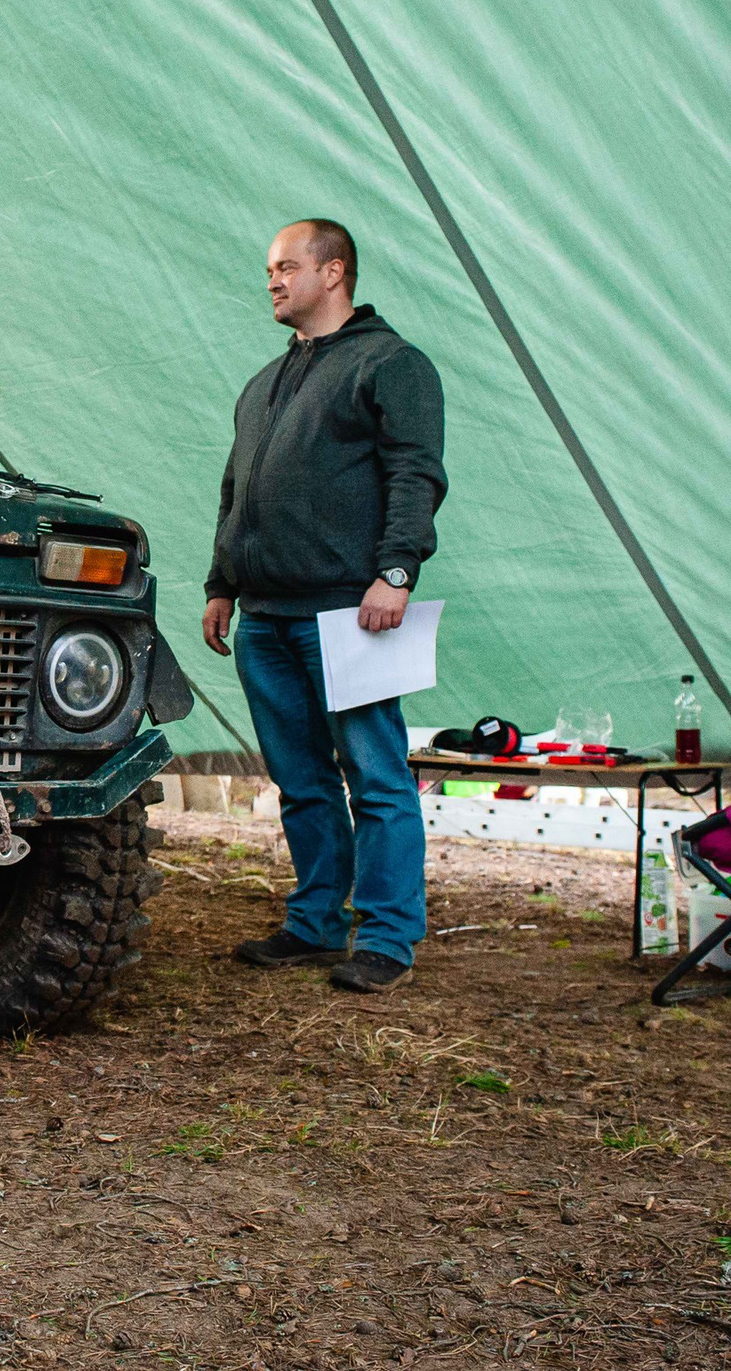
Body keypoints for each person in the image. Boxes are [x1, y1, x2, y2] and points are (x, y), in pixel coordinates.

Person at [203, 217, 446, 992]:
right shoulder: (263, 383)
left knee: (376, 775)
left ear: (334, 271)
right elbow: (236, 489)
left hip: (350, 610)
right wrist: (220, 583)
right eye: (269, 270)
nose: (272, 280)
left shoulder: (391, 364)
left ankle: (387, 935)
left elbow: (415, 472)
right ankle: (314, 924)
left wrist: (397, 571)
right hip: (265, 616)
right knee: (302, 781)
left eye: (286, 266)